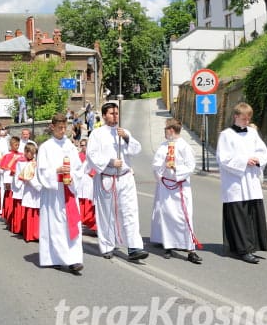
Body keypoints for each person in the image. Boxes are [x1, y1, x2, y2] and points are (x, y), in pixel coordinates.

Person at [86, 102, 148, 261]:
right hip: (107, 178)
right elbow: (92, 155)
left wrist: (126, 138)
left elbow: (136, 149)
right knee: (107, 213)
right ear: (105, 115)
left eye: (117, 113)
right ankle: (107, 245)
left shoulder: (123, 132)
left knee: (130, 211)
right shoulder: (97, 134)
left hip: (125, 177)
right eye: (112, 113)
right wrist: (110, 162)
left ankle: (134, 247)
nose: (115, 116)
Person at [216, 102, 267, 264]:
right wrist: (244, 161)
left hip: (251, 180)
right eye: (244, 118)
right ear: (236, 117)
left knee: (252, 214)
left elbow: (263, 152)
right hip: (236, 182)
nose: (247, 122)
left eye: (249, 119)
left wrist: (257, 159)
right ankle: (242, 249)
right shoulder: (226, 135)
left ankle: (253, 245)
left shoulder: (252, 133)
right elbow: (223, 158)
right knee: (238, 215)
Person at [35, 113, 85, 274]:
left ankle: (74, 257)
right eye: (60, 128)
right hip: (54, 192)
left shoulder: (70, 146)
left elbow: (78, 168)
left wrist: (72, 176)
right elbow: (41, 171)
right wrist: (56, 171)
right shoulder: (45, 147)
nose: (63, 131)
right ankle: (64, 259)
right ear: (52, 127)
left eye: (65, 128)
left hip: (69, 189)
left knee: (72, 224)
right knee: (56, 226)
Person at [150, 118, 202, 264]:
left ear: (171, 130)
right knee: (166, 216)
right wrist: (163, 165)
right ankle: (168, 246)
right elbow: (155, 165)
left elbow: (191, 166)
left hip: (180, 187)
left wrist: (176, 169)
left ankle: (190, 249)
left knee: (183, 217)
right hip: (166, 187)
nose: (164, 133)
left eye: (165, 130)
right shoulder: (163, 146)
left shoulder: (185, 147)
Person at [18, 142, 40, 242]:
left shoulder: (36, 163)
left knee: (37, 213)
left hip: (37, 191)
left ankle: (37, 234)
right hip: (31, 190)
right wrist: (39, 187)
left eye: (32, 153)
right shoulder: (29, 165)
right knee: (31, 212)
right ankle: (30, 234)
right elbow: (29, 178)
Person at [76, 138, 97, 233]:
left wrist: (92, 173)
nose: (83, 147)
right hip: (81, 181)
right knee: (80, 200)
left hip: (89, 180)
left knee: (89, 201)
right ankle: (80, 221)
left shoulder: (91, 156)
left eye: (85, 145)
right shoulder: (78, 156)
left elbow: (95, 166)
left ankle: (91, 223)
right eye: (82, 145)